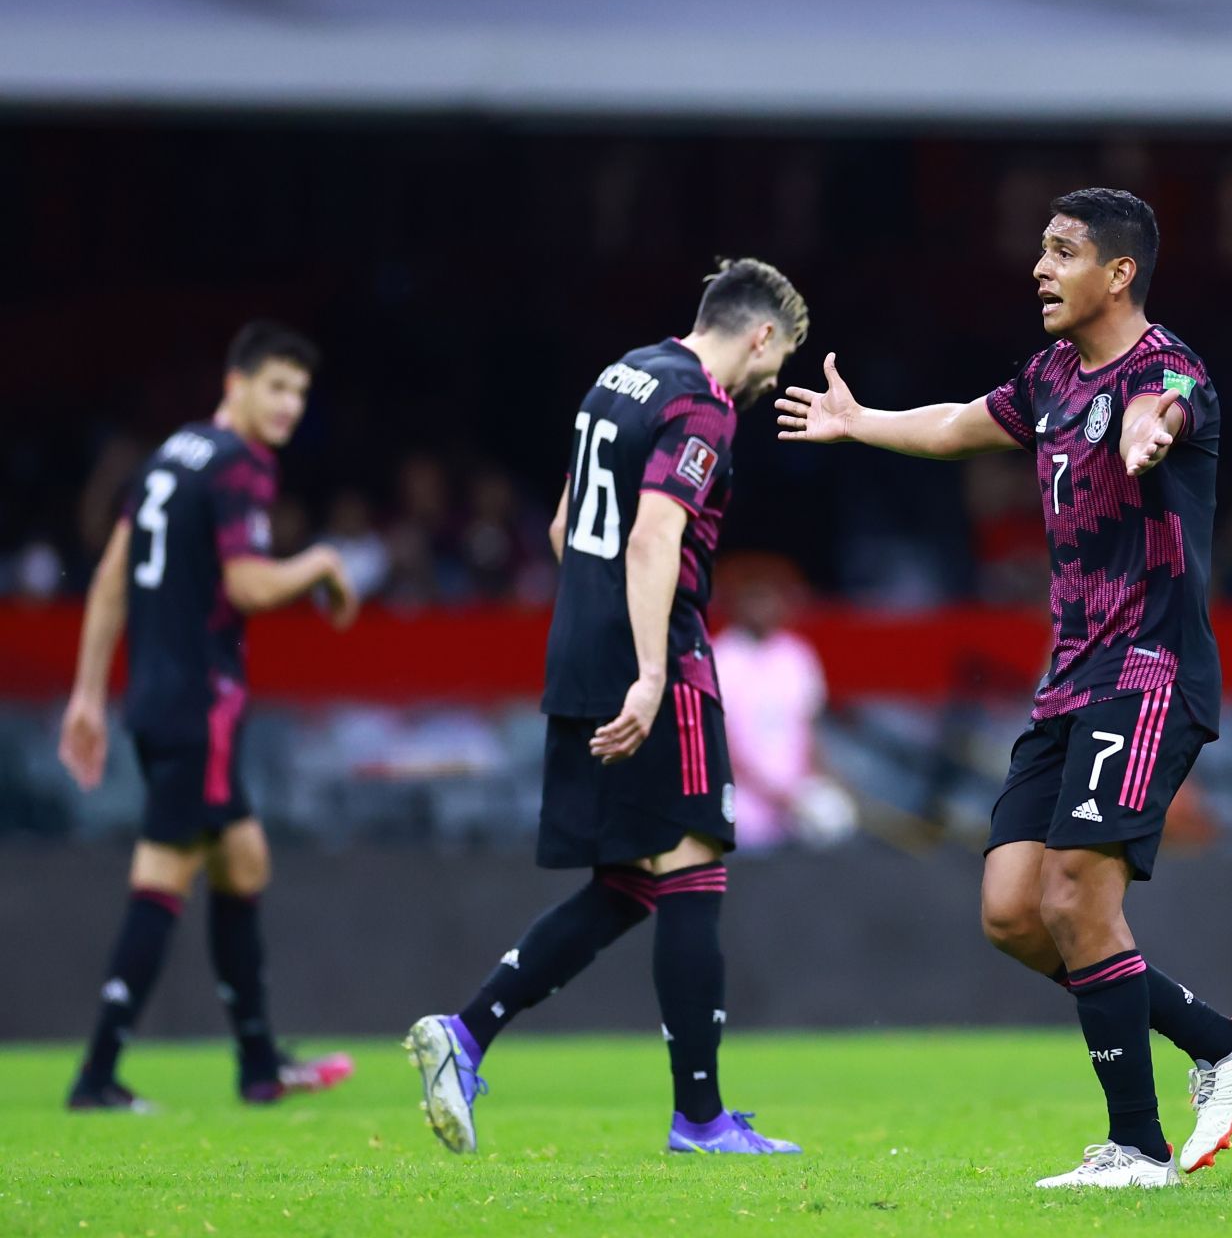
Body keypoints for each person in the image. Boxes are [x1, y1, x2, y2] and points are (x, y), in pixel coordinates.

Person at [777, 188, 1232, 1188]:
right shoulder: (1049, 372)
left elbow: (1159, 410)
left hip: (1147, 665)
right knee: (1012, 909)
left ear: (1119, 272)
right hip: (1070, 675)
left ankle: (1135, 1146)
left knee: (1075, 894)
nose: (1039, 269)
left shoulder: (1165, 368)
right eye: (1041, 251)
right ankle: (1220, 1041)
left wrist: (1149, 436)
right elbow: (965, 422)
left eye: (1062, 252)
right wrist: (861, 419)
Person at [405, 259, 809, 1156]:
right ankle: (700, 1120)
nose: (770, 382)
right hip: (651, 654)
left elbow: (562, 530)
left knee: (631, 880)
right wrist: (654, 670)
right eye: (777, 362)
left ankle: (465, 1037)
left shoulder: (618, 377)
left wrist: (602, 630)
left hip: (578, 649)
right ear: (759, 334)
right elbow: (656, 532)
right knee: (696, 861)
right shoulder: (700, 406)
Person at [58, 320, 360, 1110]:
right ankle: (97, 1075)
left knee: (244, 858)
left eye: (300, 391)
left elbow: (110, 578)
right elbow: (250, 586)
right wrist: (324, 565)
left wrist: (90, 695)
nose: (290, 406)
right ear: (236, 384)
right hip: (201, 703)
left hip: (155, 699)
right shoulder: (239, 466)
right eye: (276, 386)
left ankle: (260, 1068)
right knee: (163, 873)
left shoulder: (171, 456)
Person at [709, 554, 852, 850]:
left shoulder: (796, 655)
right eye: (753, 598)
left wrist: (818, 784)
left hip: (797, 813)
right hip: (743, 813)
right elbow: (720, 743)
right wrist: (778, 796)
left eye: (768, 598)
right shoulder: (721, 657)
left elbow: (808, 728)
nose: (761, 608)